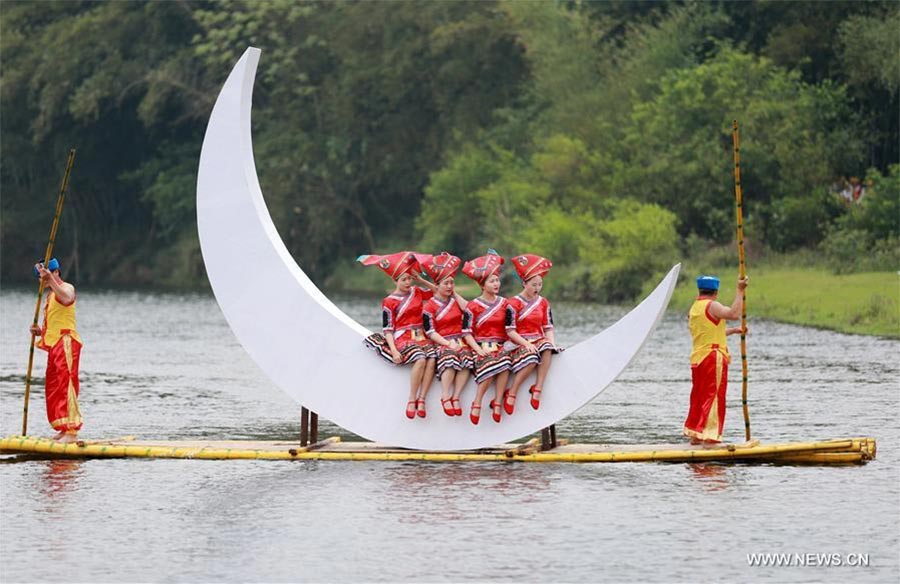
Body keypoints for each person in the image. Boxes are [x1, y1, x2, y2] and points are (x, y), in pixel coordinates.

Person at [358, 251, 437, 419]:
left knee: (432, 359)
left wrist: (421, 280)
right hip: (403, 338)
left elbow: (438, 292)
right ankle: (412, 399)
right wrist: (394, 350)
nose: (408, 282)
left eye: (409, 278)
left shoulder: (417, 291)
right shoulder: (389, 301)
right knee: (420, 358)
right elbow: (388, 328)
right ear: (395, 281)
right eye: (404, 279)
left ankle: (422, 399)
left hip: (422, 337)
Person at [683, 274, 749, 445]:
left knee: (699, 395)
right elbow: (733, 313)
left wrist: (733, 331)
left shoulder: (695, 308)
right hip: (713, 357)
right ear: (716, 292)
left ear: (700, 290)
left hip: (699, 358)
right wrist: (740, 290)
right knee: (714, 395)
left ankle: (696, 433)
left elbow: (708, 333)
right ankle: (710, 435)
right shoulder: (712, 305)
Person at [461, 250, 525, 425]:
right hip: (480, 347)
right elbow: (466, 332)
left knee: (505, 363)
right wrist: (478, 349)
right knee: (490, 362)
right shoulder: (472, 306)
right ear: (483, 285)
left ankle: (497, 401)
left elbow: (514, 325)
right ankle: (477, 401)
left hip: (501, 347)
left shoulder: (505, 303)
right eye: (492, 281)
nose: (496, 284)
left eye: (497, 280)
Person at [29, 258, 83, 443]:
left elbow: (67, 298)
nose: (42, 281)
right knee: (54, 386)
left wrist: (50, 279)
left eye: (43, 276)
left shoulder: (66, 288)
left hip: (66, 341)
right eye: (40, 278)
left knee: (66, 383)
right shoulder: (51, 295)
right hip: (55, 345)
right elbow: (55, 322)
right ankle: (63, 427)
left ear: (56, 272)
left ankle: (72, 430)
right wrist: (40, 332)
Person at [503, 254, 561, 414]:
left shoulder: (543, 303)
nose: (537, 288)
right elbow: (510, 330)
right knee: (531, 357)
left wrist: (552, 343)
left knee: (547, 348)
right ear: (524, 283)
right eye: (534, 285)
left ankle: (538, 387)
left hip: (538, 339)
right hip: (518, 342)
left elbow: (548, 327)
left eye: (540, 284)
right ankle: (512, 391)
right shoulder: (513, 303)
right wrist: (526, 343)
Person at [417, 252, 473, 418]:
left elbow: (470, 310)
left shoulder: (455, 301)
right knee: (450, 358)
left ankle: (456, 396)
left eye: (451, 283)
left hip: (460, 340)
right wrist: (448, 344)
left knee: (467, 359)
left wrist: (454, 294)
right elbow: (430, 331)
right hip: (442, 342)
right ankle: (445, 395)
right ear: (437, 285)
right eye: (446, 283)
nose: (449, 286)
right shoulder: (429, 306)